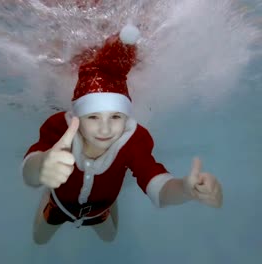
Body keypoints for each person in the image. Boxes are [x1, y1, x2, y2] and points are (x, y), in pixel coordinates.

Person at [21, 24, 223, 245]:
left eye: (115, 117)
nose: (105, 129)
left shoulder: (133, 140)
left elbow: (158, 186)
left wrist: (185, 189)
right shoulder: (61, 128)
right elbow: (29, 171)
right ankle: (49, 193)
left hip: (101, 210)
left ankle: (109, 201)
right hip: (59, 206)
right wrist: (41, 167)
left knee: (109, 239)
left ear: (126, 117)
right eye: (93, 117)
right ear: (78, 116)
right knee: (39, 240)